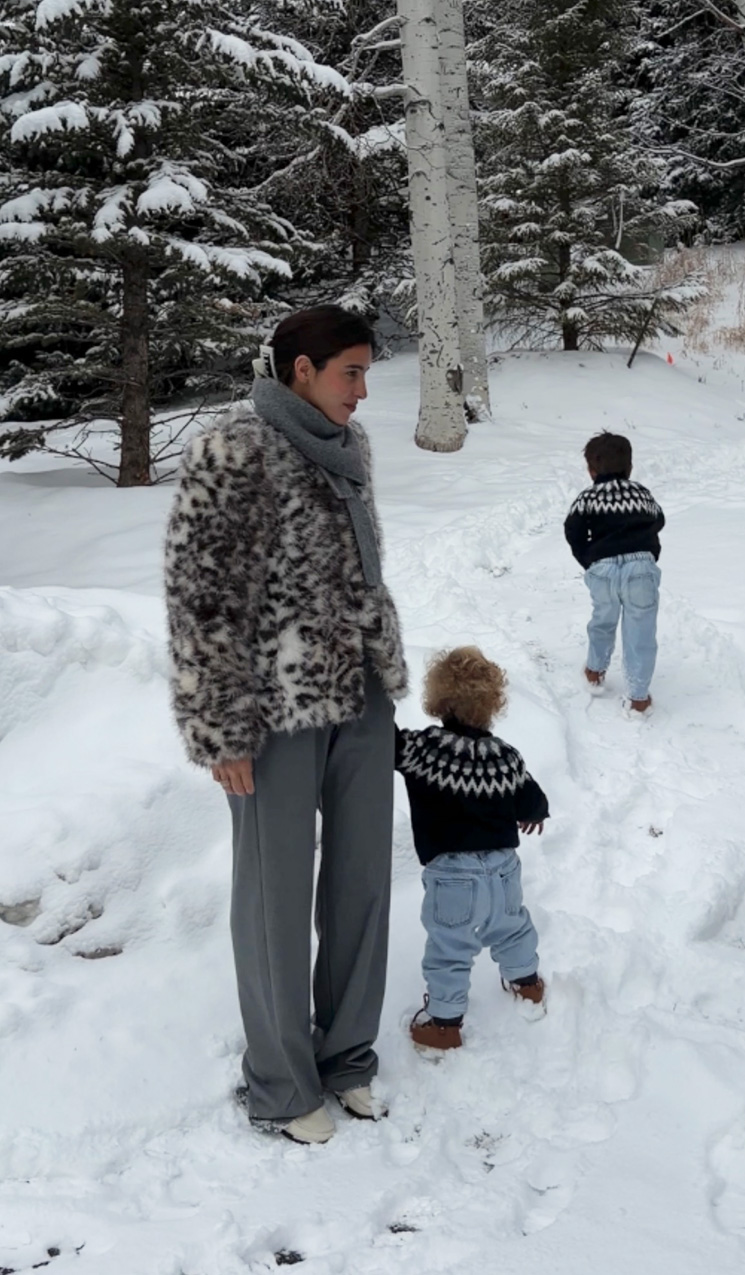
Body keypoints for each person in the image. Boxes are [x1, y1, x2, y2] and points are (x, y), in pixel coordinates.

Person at [164, 305, 408, 1144]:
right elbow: (201, 597)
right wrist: (220, 725)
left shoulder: (351, 448)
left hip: (362, 695)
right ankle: (280, 1081)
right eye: (352, 372)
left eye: (368, 372)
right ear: (301, 371)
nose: (364, 391)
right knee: (275, 894)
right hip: (271, 712)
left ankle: (347, 1056)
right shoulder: (232, 449)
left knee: (362, 880)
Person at [394, 647, 549, 1051]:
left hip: (452, 876)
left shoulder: (422, 749)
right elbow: (532, 801)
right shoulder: (505, 757)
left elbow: (386, 743)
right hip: (503, 868)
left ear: (438, 700)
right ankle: (527, 982)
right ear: (492, 705)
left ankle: (444, 1024)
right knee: (512, 925)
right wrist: (534, 815)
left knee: (450, 948)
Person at [564, 432, 665, 714]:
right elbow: (658, 520)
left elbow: (572, 530)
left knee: (603, 620)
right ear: (629, 467)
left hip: (603, 570)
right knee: (641, 631)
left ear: (591, 470)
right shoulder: (641, 493)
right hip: (641, 569)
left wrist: (589, 559)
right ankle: (639, 697)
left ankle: (595, 671)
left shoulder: (587, 498)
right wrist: (646, 549)